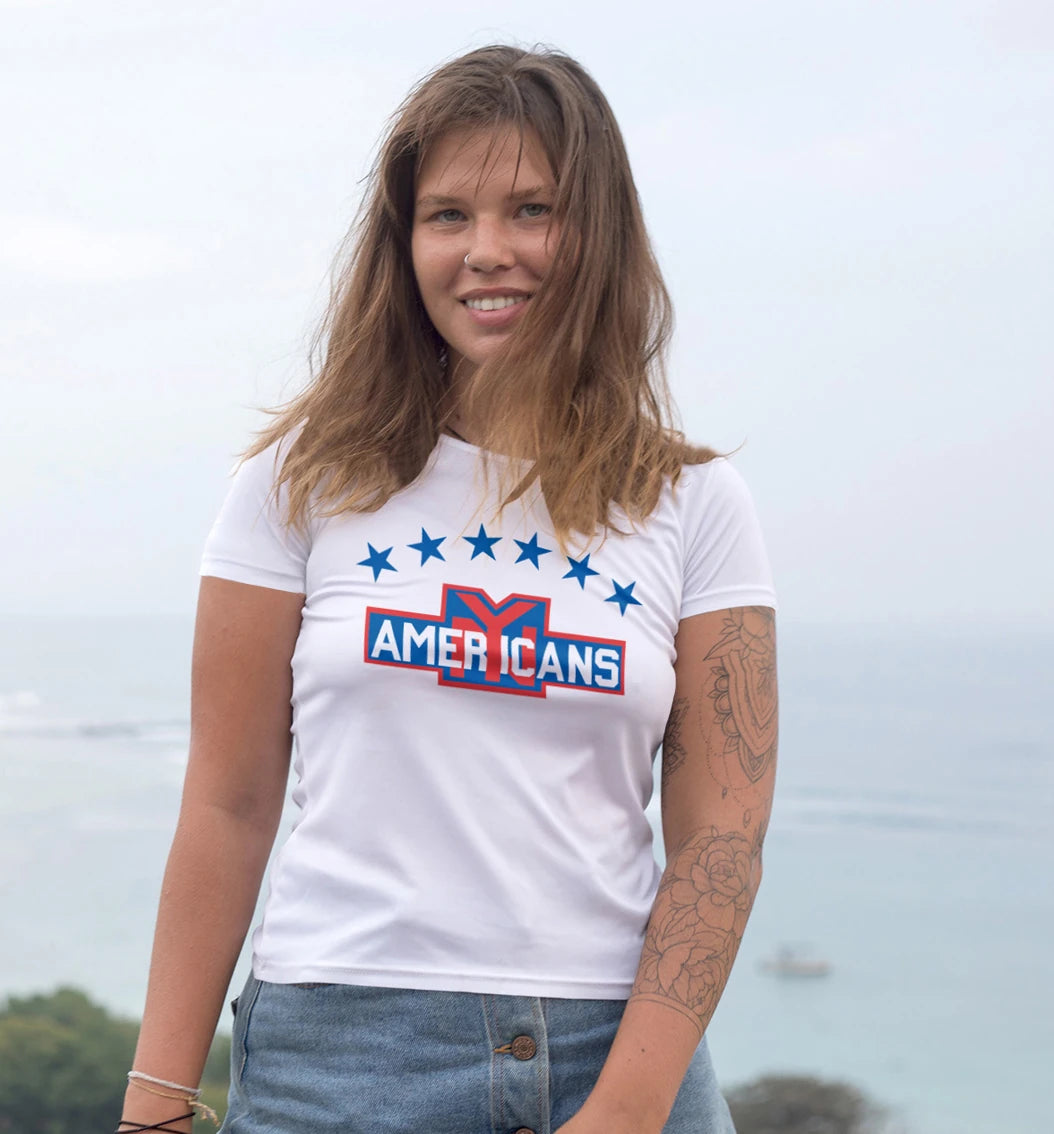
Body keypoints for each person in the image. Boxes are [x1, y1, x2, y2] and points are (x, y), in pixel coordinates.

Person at [117, 44, 778, 1134]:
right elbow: (228, 803)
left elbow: (720, 843)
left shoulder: (695, 503)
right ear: (405, 240)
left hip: (621, 1056)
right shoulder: (296, 485)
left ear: (599, 234)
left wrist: (624, 1111)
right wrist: (156, 1101)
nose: (487, 252)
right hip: (345, 1063)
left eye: (533, 210)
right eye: (448, 215)